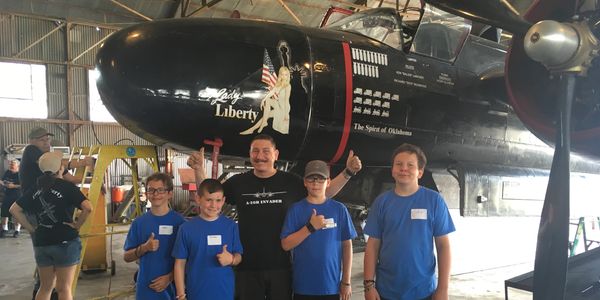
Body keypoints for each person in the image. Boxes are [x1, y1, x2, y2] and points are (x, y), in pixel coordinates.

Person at [187, 134, 362, 300]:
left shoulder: (291, 182)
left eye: (266, 151)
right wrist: (198, 169)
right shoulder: (238, 182)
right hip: (246, 267)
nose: (260, 156)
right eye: (255, 151)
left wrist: (347, 173)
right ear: (250, 154)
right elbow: (209, 196)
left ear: (276, 154)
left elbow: (322, 193)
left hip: (282, 268)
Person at [363, 144, 455, 300]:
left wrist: (443, 288)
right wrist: (369, 286)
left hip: (424, 291)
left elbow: (443, 246)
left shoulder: (434, 201)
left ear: (420, 172)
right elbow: (372, 245)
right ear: (392, 170)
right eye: (398, 164)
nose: (403, 168)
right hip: (386, 291)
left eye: (410, 165)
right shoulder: (382, 202)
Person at [9, 151, 93, 300]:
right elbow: (88, 208)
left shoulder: (35, 188)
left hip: (42, 242)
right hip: (65, 242)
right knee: (64, 289)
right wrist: (77, 225)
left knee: (46, 287)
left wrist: (31, 229)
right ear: (60, 167)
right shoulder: (67, 187)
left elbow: (14, 210)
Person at [281, 160, 357, 300]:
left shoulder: (339, 209)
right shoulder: (296, 209)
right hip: (303, 286)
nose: (315, 183)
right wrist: (310, 228)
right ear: (305, 182)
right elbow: (286, 244)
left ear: (328, 182)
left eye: (321, 179)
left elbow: (347, 246)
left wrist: (346, 281)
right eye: (311, 178)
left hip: (331, 286)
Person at [172, 179, 242, 300]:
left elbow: (239, 256)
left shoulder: (231, 227)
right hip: (196, 292)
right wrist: (181, 295)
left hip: (224, 292)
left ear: (224, 200)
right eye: (209, 200)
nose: (213, 205)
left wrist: (231, 259)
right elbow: (179, 264)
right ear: (198, 199)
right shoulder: (186, 229)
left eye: (218, 200)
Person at [123, 172, 185, 300]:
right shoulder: (138, 223)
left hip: (172, 289)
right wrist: (144, 248)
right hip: (145, 289)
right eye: (151, 190)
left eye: (160, 190)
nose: (156, 194)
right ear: (146, 194)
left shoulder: (181, 224)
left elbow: (189, 260)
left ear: (170, 194)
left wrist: (169, 277)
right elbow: (127, 257)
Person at [20, 127, 94, 194]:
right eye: (41, 140)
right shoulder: (30, 149)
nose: (46, 143)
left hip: (47, 195)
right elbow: (50, 163)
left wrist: (95, 181)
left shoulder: (54, 161)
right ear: (31, 141)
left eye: (47, 139)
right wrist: (82, 163)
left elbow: (72, 179)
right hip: (33, 197)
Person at [240, 66, 291, 135]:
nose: (284, 76)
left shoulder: (288, 86)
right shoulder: (279, 84)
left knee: (265, 116)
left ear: (288, 75)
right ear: (280, 74)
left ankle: (253, 129)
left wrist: (286, 114)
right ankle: (259, 125)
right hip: (277, 104)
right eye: (282, 74)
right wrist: (263, 100)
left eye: (285, 74)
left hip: (283, 108)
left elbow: (286, 101)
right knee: (267, 101)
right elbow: (272, 92)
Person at [1, 159, 22, 238]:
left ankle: (17, 230)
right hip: (7, 195)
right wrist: (3, 183)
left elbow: (23, 185)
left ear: (17, 166)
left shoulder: (21, 174)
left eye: (13, 164)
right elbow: (3, 180)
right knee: (4, 213)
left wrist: (14, 186)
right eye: (10, 164)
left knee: (16, 214)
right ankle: (4, 229)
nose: (11, 166)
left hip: (17, 196)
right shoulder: (7, 172)